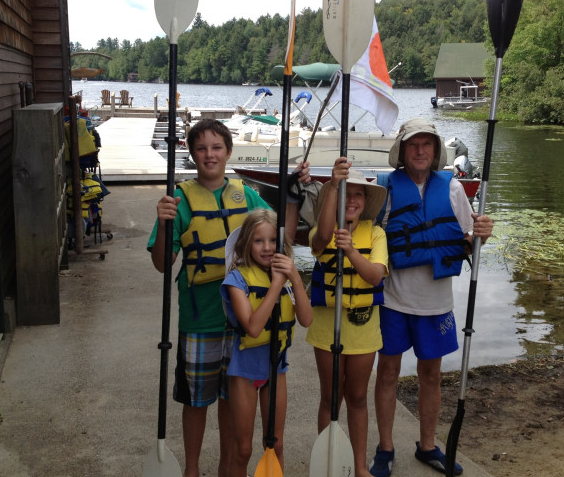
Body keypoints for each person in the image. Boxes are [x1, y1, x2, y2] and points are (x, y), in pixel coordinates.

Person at [147, 118, 309, 477]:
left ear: (228, 152)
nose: (209, 155)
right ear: (192, 153)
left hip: (240, 323)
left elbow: (274, 232)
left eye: (216, 148)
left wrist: (293, 190)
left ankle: (225, 469)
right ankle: (192, 469)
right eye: (201, 148)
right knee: (196, 400)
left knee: (228, 401)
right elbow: (162, 263)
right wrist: (163, 224)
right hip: (201, 318)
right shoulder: (179, 200)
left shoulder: (246, 195)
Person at [369, 118, 494, 477]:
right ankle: (386, 448)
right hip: (393, 299)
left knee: (432, 375)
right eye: (413, 145)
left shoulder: (452, 188)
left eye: (427, 144)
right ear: (403, 152)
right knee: (388, 372)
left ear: (436, 151)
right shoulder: (386, 188)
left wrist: (481, 234)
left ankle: (427, 446)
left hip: (436, 303)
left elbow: (467, 242)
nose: (421, 151)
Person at [307, 157, 388, 477]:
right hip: (328, 327)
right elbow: (320, 238)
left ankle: (357, 465)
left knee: (356, 396)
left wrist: (352, 251)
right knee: (331, 397)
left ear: (366, 202)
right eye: (345, 193)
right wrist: (334, 185)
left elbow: (375, 278)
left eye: (358, 194)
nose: (351, 200)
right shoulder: (322, 230)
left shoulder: (377, 234)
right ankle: (328, 461)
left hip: (363, 327)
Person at [220, 209, 313, 476]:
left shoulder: (287, 279)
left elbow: (306, 320)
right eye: (259, 241)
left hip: (276, 368)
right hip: (245, 372)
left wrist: (294, 278)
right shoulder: (237, 279)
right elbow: (252, 327)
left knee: (275, 443)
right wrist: (276, 285)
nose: (267, 247)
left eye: (273, 240)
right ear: (246, 243)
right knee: (243, 449)